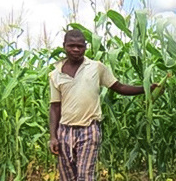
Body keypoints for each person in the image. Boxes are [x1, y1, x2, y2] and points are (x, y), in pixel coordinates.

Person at [48, 29, 157, 181]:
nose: (75, 49)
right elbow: (55, 107)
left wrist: (146, 89)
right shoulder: (55, 74)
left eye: (80, 46)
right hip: (64, 131)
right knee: (67, 177)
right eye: (71, 45)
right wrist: (53, 136)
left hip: (89, 129)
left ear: (86, 47)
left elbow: (119, 87)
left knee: (85, 176)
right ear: (64, 46)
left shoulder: (96, 67)